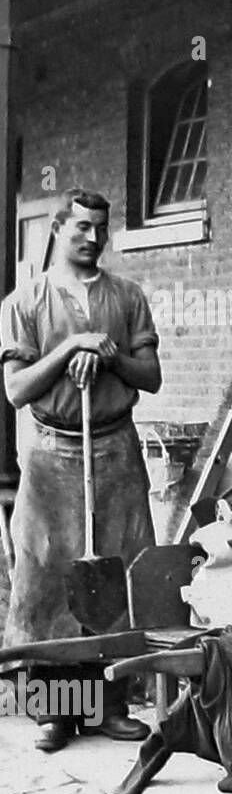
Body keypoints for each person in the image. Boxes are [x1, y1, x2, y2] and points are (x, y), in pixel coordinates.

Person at [0, 188, 159, 752]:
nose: (93, 239)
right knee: (46, 576)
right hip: (52, 452)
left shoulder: (128, 296)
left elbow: (151, 376)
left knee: (117, 572)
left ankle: (111, 705)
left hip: (116, 449)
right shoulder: (25, 301)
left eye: (100, 229)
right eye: (81, 228)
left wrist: (110, 354)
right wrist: (70, 349)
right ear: (57, 231)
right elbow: (17, 389)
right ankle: (58, 712)